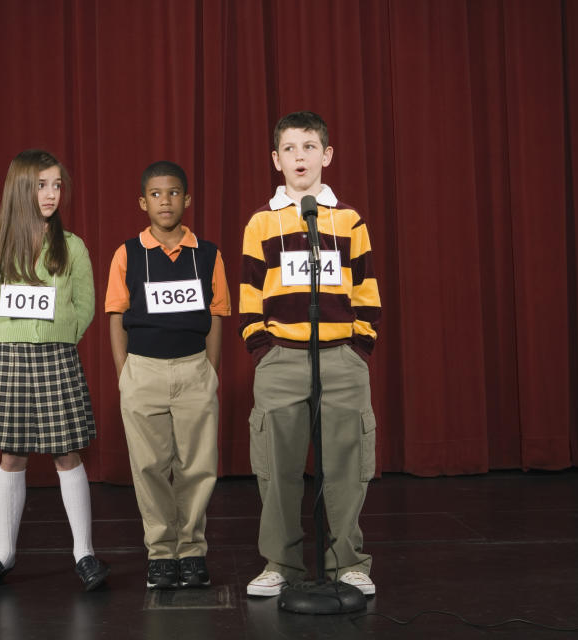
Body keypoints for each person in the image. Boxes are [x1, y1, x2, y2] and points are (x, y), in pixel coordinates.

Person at [239, 111, 381, 598]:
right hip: (281, 359)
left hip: (341, 357)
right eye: (291, 149)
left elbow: (365, 288)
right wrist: (263, 346)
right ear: (276, 160)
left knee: (346, 463)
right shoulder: (261, 223)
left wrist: (359, 345)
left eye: (310, 147)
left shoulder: (349, 219)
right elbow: (250, 293)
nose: (301, 157)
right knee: (276, 469)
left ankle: (347, 562)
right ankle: (281, 563)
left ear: (327, 155)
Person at [0, 149, 110, 591]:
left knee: (67, 453)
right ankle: (4, 553)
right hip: (11, 358)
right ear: (20, 189)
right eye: (42, 185)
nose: (51, 194)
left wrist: (61, 338)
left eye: (57, 185)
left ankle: (83, 553)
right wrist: (6, 337)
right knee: (11, 455)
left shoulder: (73, 246)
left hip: (57, 357)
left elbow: (84, 306)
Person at [105, 161, 231, 589]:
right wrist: (125, 374)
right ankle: (161, 553)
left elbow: (216, 315)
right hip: (143, 372)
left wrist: (210, 370)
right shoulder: (127, 253)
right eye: (156, 194)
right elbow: (116, 316)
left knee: (198, 466)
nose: (165, 200)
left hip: (194, 369)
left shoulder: (209, 254)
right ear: (143, 202)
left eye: (174, 193)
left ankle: (192, 550)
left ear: (187, 199)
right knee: (149, 467)